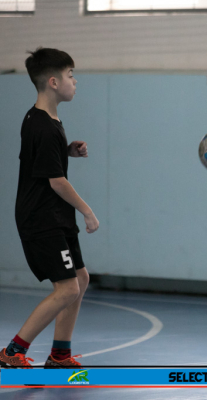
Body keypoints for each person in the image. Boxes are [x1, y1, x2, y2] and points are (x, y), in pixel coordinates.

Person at [0, 47, 99, 369]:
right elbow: (57, 182)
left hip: (55, 216)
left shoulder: (44, 120)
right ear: (54, 82)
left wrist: (66, 150)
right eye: (71, 76)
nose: (75, 81)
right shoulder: (42, 126)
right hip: (41, 218)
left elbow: (38, 161)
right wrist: (87, 211)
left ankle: (60, 355)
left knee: (80, 279)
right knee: (67, 287)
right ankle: (12, 352)